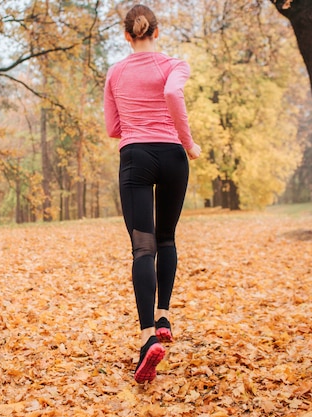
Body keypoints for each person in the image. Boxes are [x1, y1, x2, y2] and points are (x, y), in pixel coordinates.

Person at [103, 4, 202, 383]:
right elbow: (175, 95)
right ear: (156, 33)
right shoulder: (175, 65)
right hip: (174, 157)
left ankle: (147, 339)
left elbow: (113, 127)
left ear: (127, 35)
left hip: (136, 158)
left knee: (143, 247)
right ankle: (164, 315)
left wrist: (134, 121)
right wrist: (188, 143)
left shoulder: (115, 72)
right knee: (167, 238)